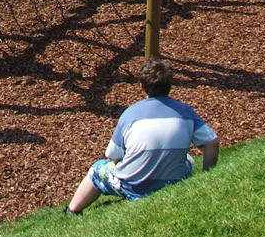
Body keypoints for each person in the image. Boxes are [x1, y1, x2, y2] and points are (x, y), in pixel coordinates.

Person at [65, 58, 219, 215]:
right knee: (189, 160)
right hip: (173, 183)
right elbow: (212, 142)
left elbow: (112, 155)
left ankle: (72, 210)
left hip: (133, 187)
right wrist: (206, 176)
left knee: (97, 169)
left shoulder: (130, 114)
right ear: (170, 86)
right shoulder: (185, 111)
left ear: (142, 87)